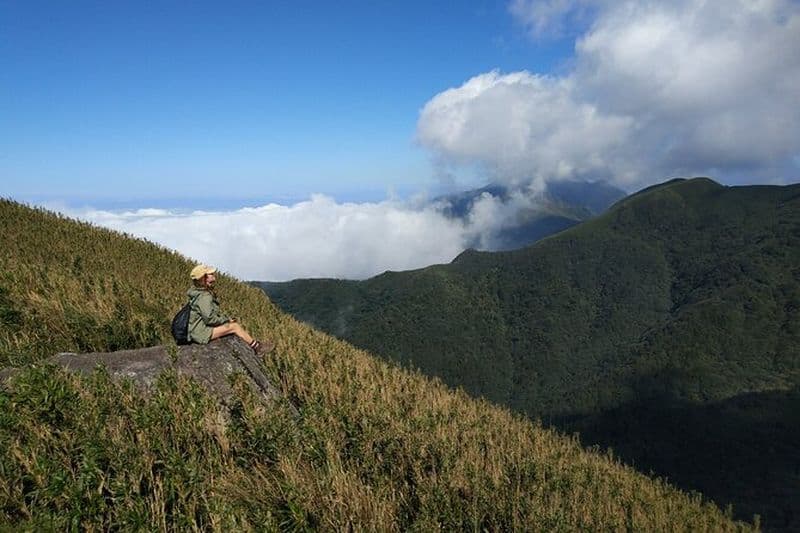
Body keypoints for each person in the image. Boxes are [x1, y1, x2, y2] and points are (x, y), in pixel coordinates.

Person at [186, 264, 274, 355]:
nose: (213, 276)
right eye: (210, 274)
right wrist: (226, 320)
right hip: (200, 333)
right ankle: (257, 347)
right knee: (234, 327)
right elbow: (209, 318)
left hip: (196, 329)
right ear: (203, 279)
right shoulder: (204, 296)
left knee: (230, 325)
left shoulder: (196, 291)